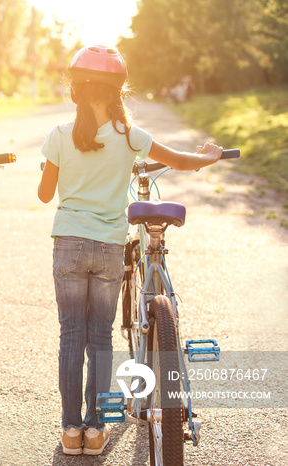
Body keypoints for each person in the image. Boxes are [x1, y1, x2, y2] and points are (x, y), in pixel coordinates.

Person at [37, 45, 222, 456]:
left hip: (68, 243)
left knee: (72, 336)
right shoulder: (130, 137)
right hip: (107, 247)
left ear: (76, 90)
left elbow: (45, 193)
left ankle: (71, 432)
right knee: (100, 338)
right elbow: (181, 161)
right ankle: (96, 429)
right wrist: (207, 156)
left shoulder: (60, 136)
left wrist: (55, 168)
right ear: (117, 92)